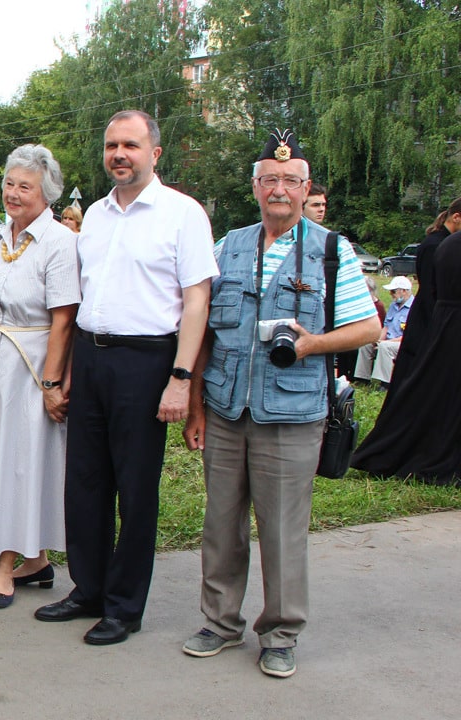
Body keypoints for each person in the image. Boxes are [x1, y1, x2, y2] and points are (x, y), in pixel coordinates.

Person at [182, 129, 379, 678]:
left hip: (292, 416)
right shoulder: (229, 246)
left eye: (291, 181)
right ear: (255, 187)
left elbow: (369, 327)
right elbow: (203, 335)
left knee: (282, 530)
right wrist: (196, 406)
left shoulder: (331, 251)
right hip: (225, 411)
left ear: (306, 187)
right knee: (220, 523)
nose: (280, 189)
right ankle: (220, 623)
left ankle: (281, 631)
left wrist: (312, 344)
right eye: (269, 179)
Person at [34, 110, 217, 646]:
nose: (119, 154)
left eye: (131, 145)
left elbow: (196, 299)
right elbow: (87, 297)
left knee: (135, 489)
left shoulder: (183, 214)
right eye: (112, 145)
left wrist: (181, 378)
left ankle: (124, 605)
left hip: (147, 362)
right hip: (91, 359)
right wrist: (68, 370)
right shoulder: (95, 214)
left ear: (154, 154)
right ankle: (87, 588)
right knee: (85, 482)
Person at [0, 144, 78, 608]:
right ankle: (37, 560)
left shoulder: (60, 242)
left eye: (23, 186)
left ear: (46, 193)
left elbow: (65, 318)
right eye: (8, 183)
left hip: (34, 362)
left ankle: (7, 563)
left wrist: (51, 384)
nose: (12, 193)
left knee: (25, 461)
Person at [353, 206, 461, 484]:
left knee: (427, 391)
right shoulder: (440, 245)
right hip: (439, 321)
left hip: (442, 321)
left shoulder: (447, 244)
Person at [381, 198, 461, 389]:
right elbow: (430, 289)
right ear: (456, 217)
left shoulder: (444, 243)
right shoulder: (436, 244)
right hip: (428, 318)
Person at [354, 275, 413, 387]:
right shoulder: (393, 306)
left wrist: (386, 343)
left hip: (403, 343)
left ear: (404, 291)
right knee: (366, 344)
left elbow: (409, 336)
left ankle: (385, 383)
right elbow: (386, 327)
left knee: (384, 347)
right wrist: (378, 340)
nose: (391, 294)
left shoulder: (414, 308)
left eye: (393, 291)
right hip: (388, 341)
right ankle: (362, 378)